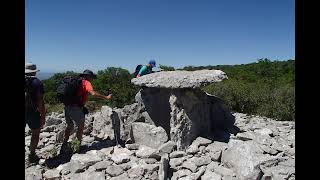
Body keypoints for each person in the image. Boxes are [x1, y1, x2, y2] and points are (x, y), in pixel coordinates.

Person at [62, 70, 112, 150]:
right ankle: (77, 146)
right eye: (91, 77)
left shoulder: (76, 81)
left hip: (67, 105)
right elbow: (93, 93)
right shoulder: (86, 83)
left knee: (69, 125)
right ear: (88, 76)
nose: (91, 79)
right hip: (76, 107)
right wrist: (106, 97)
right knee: (80, 127)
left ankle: (64, 143)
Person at [25, 63, 46, 163]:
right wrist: (43, 115)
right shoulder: (37, 83)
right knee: (35, 133)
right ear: (34, 72)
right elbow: (40, 101)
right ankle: (32, 155)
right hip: (32, 111)